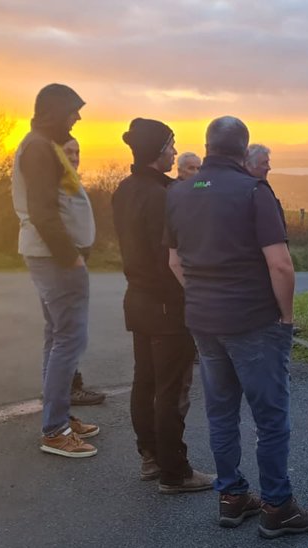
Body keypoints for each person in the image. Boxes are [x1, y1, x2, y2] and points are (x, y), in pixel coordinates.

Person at [165, 116, 308, 538]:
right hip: (253, 321)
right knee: (270, 416)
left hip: (202, 320)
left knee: (221, 411)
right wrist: (285, 317)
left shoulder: (179, 192)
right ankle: (277, 505)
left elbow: (175, 262)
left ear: (209, 146)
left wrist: (201, 294)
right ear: (242, 149)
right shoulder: (254, 191)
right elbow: (280, 264)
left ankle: (232, 497)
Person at [113, 118, 215, 493]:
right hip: (169, 304)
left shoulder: (123, 190)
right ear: (159, 152)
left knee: (145, 382)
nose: (175, 152)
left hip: (137, 299)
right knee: (171, 389)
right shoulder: (167, 195)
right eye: (171, 146)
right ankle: (176, 472)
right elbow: (177, 254)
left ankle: (151, 457)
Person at [11, 83, 100, 458]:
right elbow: (44, 211)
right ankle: (55, 430)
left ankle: (59, 416)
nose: (77, 117)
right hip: (55, 258)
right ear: (56, 110)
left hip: (52, 256)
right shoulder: (37, 148)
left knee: (57, 336)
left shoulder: (42, 145)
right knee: (69, 339)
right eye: (73, 110)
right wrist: (70, 256)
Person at [58, 136, 107, 406]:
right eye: (69, 151)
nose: (75, 156)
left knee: (70, 328)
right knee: (67, 330)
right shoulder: (56, 183)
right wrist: (71, 258)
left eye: (78, 151)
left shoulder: (70, 180)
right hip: (65, 265)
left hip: (75, 261)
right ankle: (68, 388)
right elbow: (50, 222)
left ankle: (66, 387)